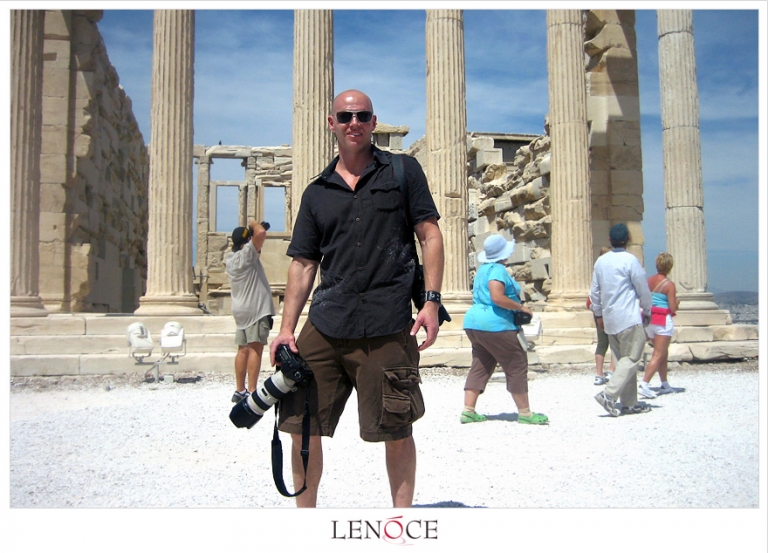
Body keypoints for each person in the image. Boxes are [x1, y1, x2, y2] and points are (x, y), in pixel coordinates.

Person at [269, 89, 445, 508]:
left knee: (397, 429)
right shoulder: (316, 192)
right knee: (300, 425)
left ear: (373, 122)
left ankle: (401, 524)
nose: (354, 123)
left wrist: (431, 302)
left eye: (362, 116)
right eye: (346, 116)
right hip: (328, 322)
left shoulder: (403, 171)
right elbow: (304, 264)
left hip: (387, 323)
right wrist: (287, 329)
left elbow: (430, 235)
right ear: (332, 123)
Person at [460, 234, 548, 425]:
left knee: (481, 364)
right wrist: (520, 307)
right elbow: (497, 297)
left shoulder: (482, 269)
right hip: (496, 324)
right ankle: (525, 413)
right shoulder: (498, 270)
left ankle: (468, 411)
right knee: (516, 363)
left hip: (474, 323)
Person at [590, 223, 653, 417]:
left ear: (610, 240)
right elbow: (642, 288)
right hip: (629, 316)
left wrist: (598, 315)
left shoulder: (600, 262)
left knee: (622, 361)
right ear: (628, 240)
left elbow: (594, 292)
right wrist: (648, 310)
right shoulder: (630, 260)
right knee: (632, 359)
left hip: (610, 318)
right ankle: (609, 394)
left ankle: (630, 403)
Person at [224, 220, 275, 403]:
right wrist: (254, 224)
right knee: (255, 348)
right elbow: (260, 233)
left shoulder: (230, 259)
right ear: (246, 242)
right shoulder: (247, 254)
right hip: (256, 309)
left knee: (242, 349)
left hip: (240, 310)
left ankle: (239, 390)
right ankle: (252, 390)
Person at [639, 252, 681, 398]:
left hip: (650, 319)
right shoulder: (669, 285)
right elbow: (673, 308)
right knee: (658, 354)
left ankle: (664, 383)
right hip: (663, 320)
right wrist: (677, 303)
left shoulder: (648, 281)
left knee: (663, 352)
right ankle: (644, 383)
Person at [588, 247, 615, 385]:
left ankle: (599, 374)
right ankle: (611, 371)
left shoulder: (597, 272)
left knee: (602, 343)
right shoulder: (613, 273)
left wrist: (597, 313)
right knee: (615, 342)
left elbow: (592, 295)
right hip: (612, 310)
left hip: (599, 310)